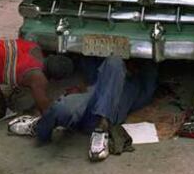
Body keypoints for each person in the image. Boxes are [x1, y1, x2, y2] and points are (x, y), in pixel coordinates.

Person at [16, 55, 158, 162]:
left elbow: (150, 75)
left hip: (103, 115)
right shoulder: (104, 76)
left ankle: (101, 130)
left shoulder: (137, 85)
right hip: (87, 107)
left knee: (114, 62)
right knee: (61, 108)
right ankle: (40, 127)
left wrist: (140, 65)